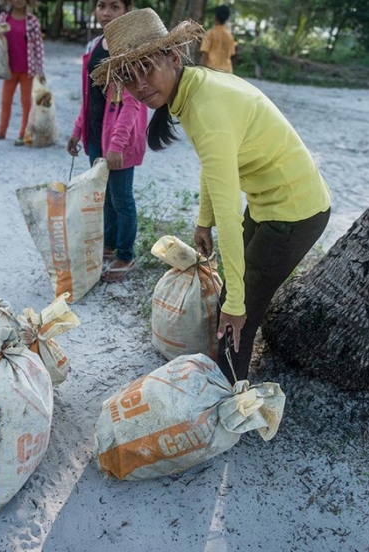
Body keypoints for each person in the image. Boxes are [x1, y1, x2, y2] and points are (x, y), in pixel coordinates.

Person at [91, 9, 332, 383]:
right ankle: (226, 374)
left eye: (147, 69)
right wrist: (204, 219)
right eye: (129, 76)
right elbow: (213, 164)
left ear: (173, 57)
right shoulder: (194, 87)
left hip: (294, 212)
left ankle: (228, 399)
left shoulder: (205, 107)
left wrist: (235, 302)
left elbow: (230, 215)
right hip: (273, 201)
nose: (140, 85)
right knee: (235, 300)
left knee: (238, 312)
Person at [66, 0, 147, 283]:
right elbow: (90, 97)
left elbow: (132, 103)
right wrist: (78, 130)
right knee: (105, 198)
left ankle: (126, 255)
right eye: (102, 5)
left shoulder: (132, 51)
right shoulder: (93, 48)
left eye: (115, 6)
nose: (107, 13)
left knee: (122, 198)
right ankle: (110, 245)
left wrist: (116, 145)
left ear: (128, 10)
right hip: (94, 135)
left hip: (119, 142)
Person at [0, 0, 44, 146]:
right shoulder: (3, 18)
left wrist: (40, 71)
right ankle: (1, 131)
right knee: (5, 101)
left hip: (28, 69)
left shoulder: (32, 21)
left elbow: (38, 46)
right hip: (8, 68)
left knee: (26, 102)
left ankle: (23, 134)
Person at [199, 4, 236, 73]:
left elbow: (204, 55)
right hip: (226, 72)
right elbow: (231, 55)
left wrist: (201, 71)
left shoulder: (210, 34)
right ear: (226, 19)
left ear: (215, 17)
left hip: (211, 71)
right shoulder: (230, 36)